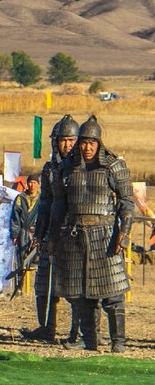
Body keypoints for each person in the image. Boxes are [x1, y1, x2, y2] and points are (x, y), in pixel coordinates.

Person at [49, 114, 134, 353]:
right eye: (83, 142)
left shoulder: (113, 166)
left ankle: (118, 342)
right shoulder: (67, 168)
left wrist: (123, 233)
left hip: (105, 234)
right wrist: (53, 237)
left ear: (99, 143)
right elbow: (58, 205)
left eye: (91, 143)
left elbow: (126, 202)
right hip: (75, 235)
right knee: (81, 295)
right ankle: (89, 340)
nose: (87, 147)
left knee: (113, 294)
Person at [23, 114, 80, 343]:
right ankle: (47, 328)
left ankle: (77, 333)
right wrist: (39, 234)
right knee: (44, 283)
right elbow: (45, 203)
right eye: (62, 140)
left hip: (75, 233)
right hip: (51, 233)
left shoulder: (83, 169)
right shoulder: (49, 169)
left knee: (75, 288)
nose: (66, 145)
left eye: (70, 140)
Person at [9, 173, 41, 293]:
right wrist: (14, 234)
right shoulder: (20, 198)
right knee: (20, 260)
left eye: (34, 183)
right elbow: (15, 218)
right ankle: (19, 288)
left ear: (38, 184)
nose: (32, 185)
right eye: (30, 182)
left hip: (37, 233)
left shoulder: (42, 199)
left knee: (38, 260)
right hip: (23, 233)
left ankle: (38, 289)